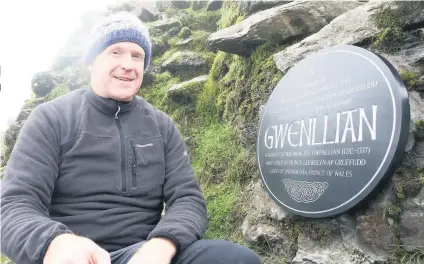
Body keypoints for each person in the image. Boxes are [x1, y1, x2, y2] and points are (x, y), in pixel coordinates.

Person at [0, 11, 261, 264]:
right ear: (92, 61)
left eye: (137, 56)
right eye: (116, 52)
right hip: (72, 255)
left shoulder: (162, 126)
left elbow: (187, 199)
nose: (127, 65)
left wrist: (161, 245)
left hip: (143, 253)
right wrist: (56, 243)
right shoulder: (51, 118)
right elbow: (13, 205)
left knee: (238, 259)